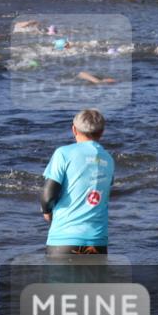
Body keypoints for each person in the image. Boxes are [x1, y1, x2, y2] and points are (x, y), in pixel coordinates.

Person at [41, 109, 115, 256]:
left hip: (63, 241)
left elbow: (48, 196)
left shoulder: (63, 153)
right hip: (97, 242)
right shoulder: (109, 160)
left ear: (74, 129)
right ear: (102, 132)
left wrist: (47, 212)